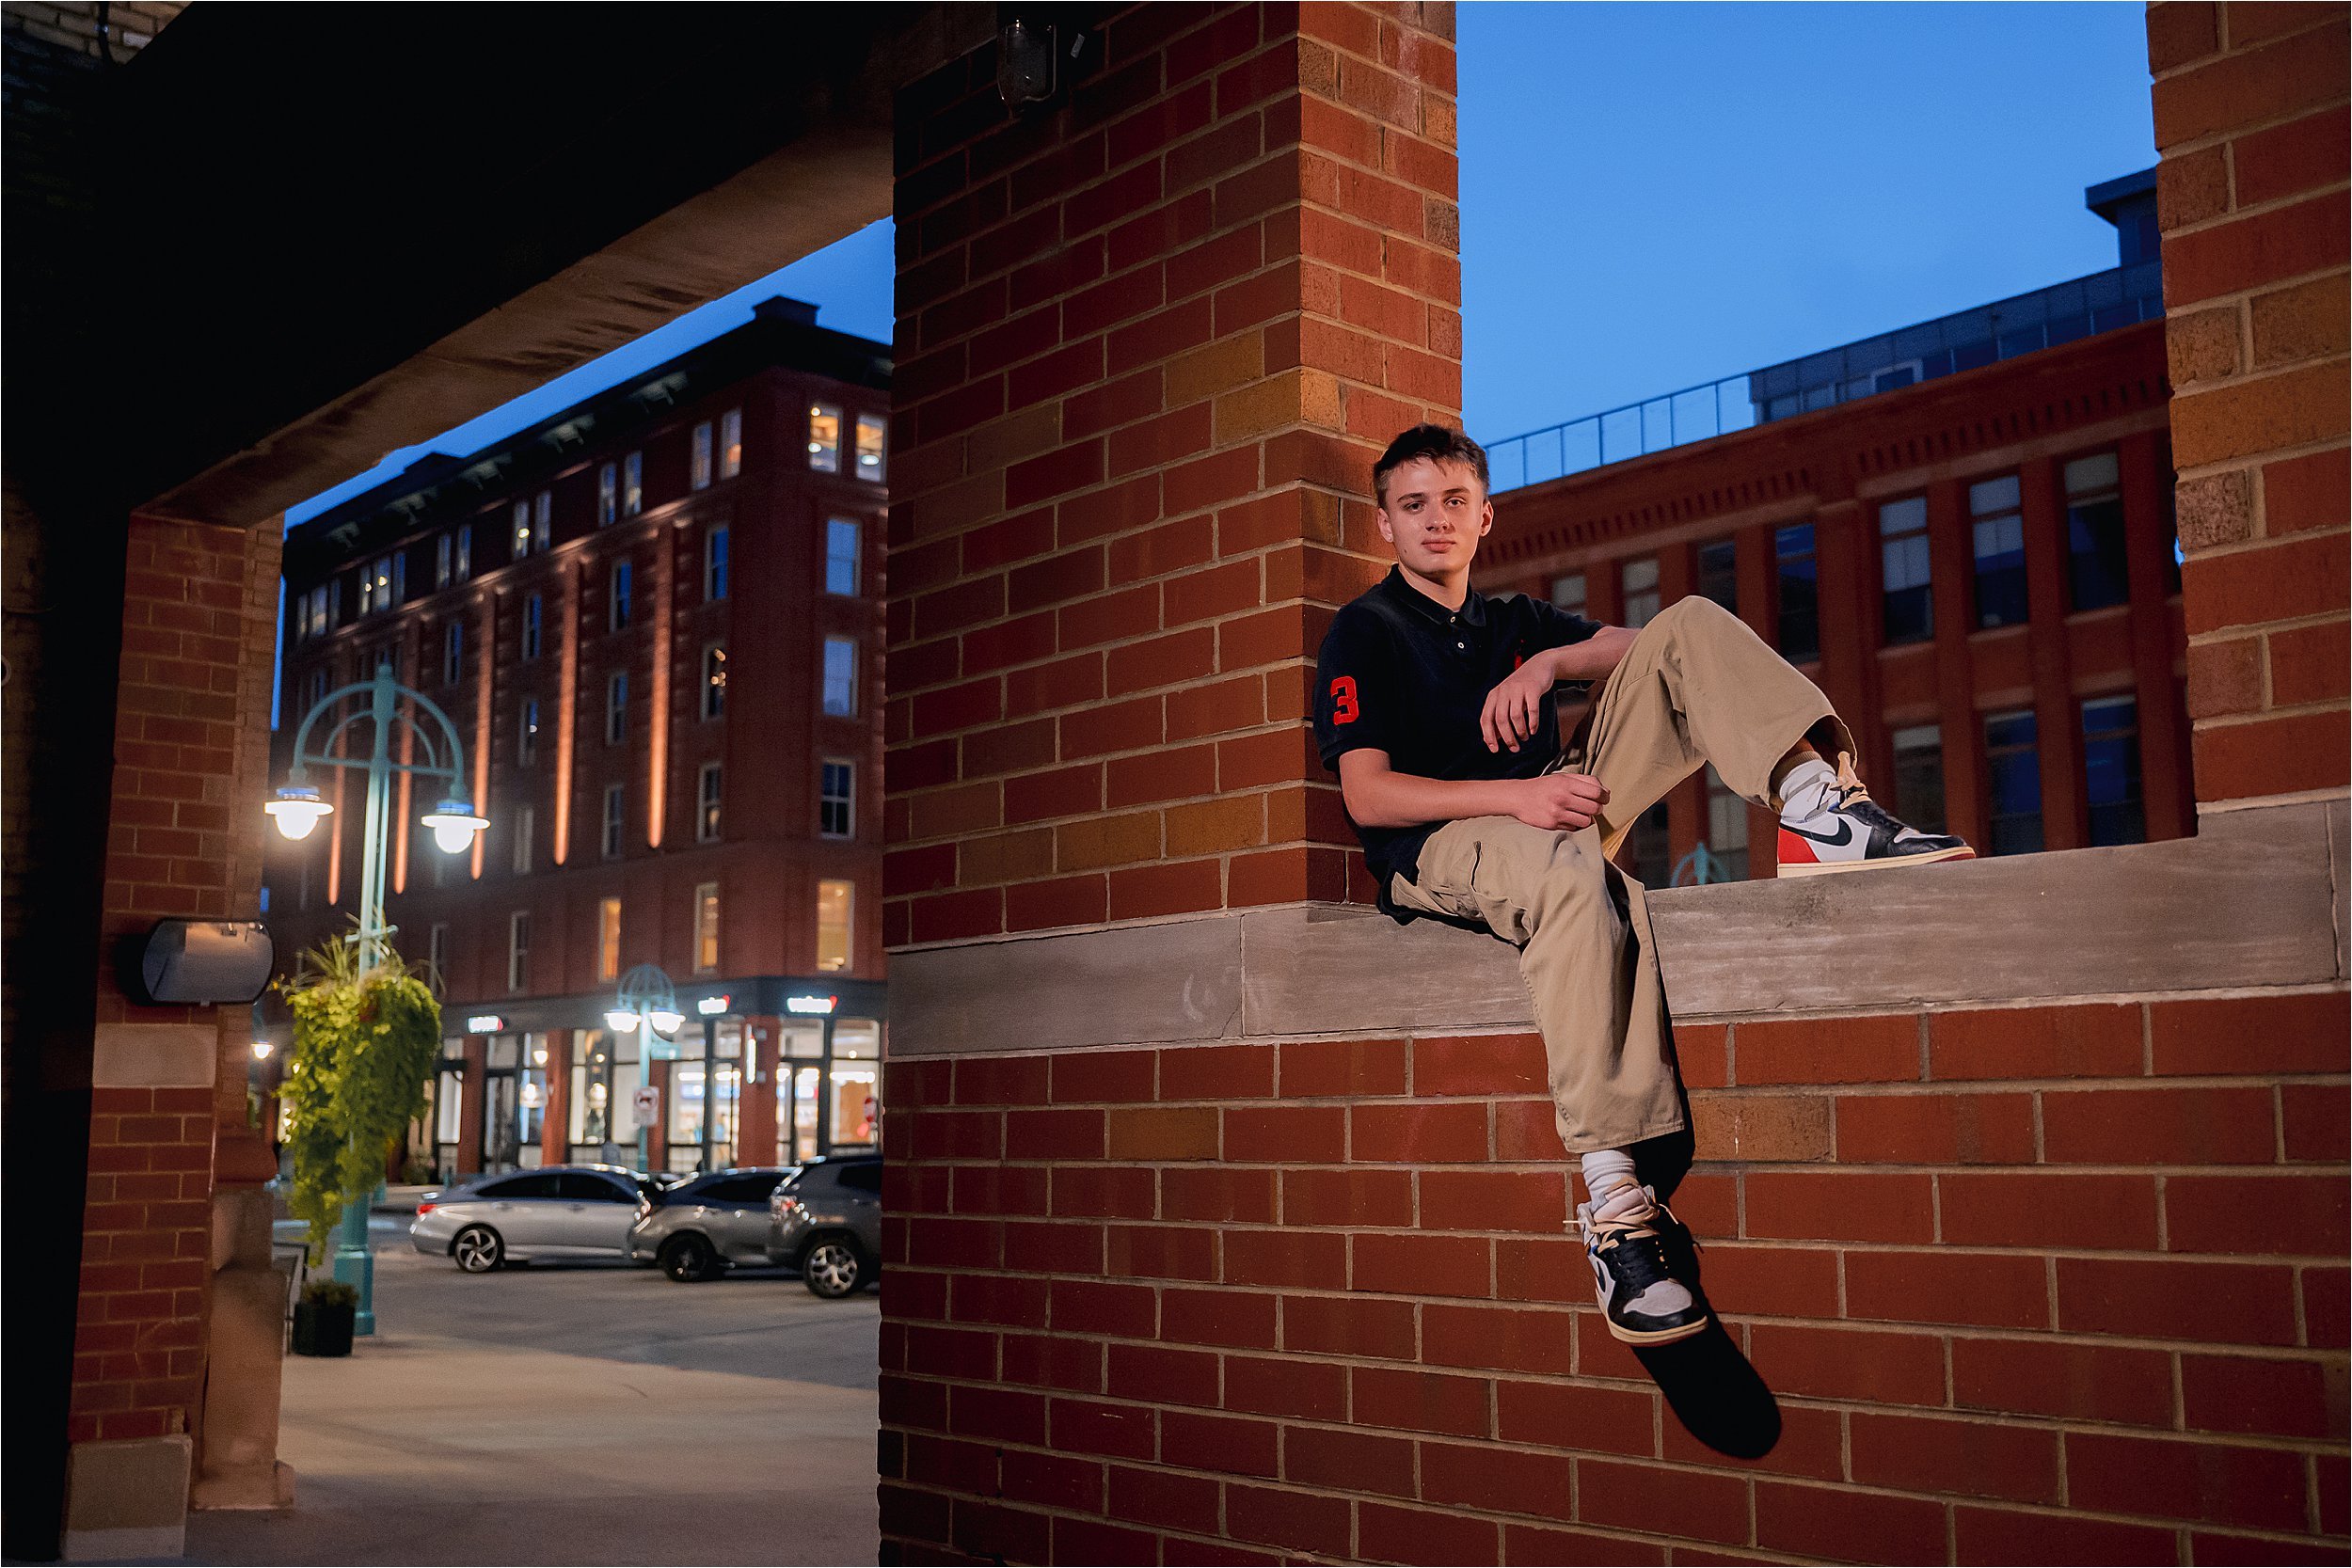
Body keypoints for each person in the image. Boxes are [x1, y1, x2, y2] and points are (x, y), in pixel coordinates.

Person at [1312, 424, 1972, 1346]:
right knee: (1574, 871)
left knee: (1690, 624)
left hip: (1553, 806)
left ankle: (1820, 808)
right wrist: (1521, 796)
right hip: (1445, 844)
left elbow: (1640, 644)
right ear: (1384, 525)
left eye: (1454, 501)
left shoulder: (1508, 623)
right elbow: (1368, 793)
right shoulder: (1364, 632)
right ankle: (1617, 1212)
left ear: (1485, 516)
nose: (1435, 520)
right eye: (1413, 504)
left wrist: (1545, 662)